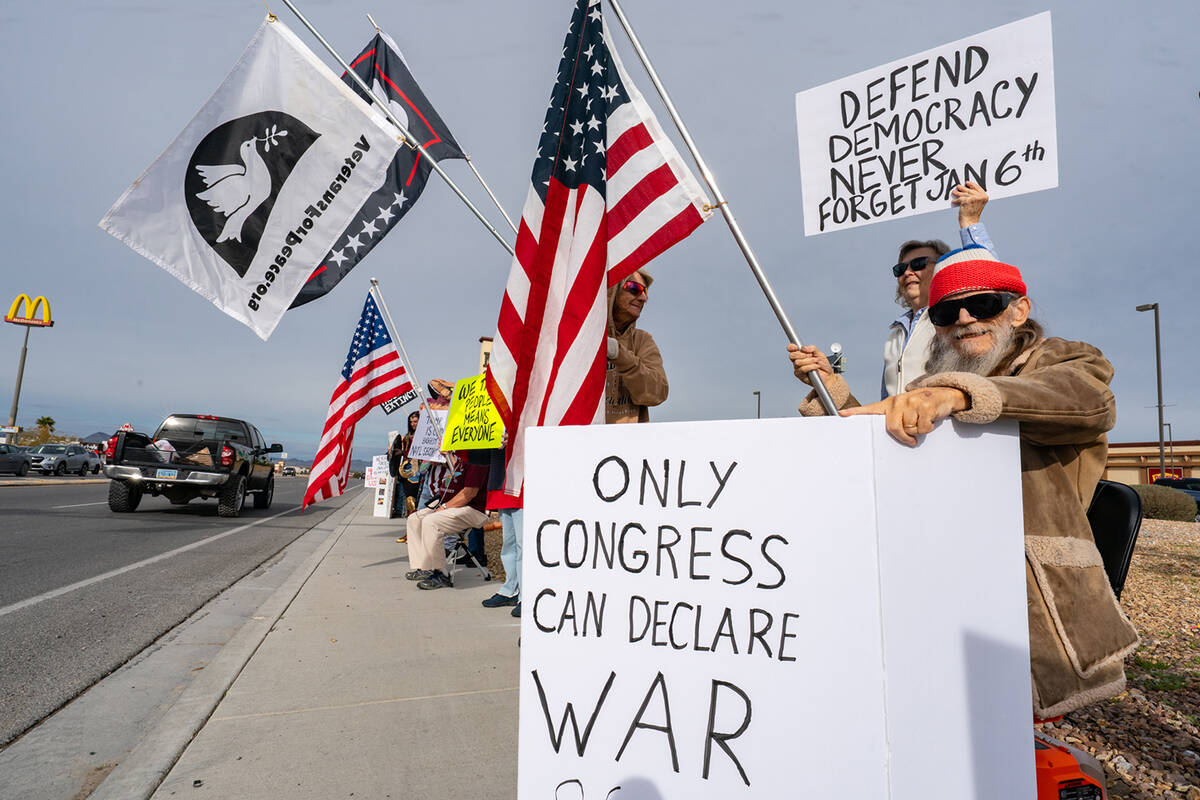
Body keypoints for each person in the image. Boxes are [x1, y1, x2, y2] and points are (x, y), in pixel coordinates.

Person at [788, 247, 1139, 718]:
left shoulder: (1059, 359)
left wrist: (958, 395)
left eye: (985, 304)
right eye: (948, 311)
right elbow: (891, 433)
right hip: (939, 582)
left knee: (1003, 728)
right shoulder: (932, 381)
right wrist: (833, 391)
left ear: (1019, 308)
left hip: (1032, 595)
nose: (967, 318)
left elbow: (1087, 399)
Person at [882, 181, 995, 399]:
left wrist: (970, 223)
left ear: (941, 268)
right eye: (900, 268)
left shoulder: (953, 317)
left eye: (918, 264)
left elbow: (988, 281)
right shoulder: (895, 334)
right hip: (901, 428)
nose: (908, 273)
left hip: (943, 426)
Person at [404, 448, 490, 590]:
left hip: (473, 510)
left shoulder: (478, 458)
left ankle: (441, 573)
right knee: (414, 519)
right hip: (453, 506)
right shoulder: (461, 458)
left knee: (431, 522)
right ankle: (424, 567)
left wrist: (444, 507)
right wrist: (448, 455)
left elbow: (468, 494)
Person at [606, 269, 668, 424]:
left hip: (628, 442)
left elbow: (657, 393)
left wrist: (618, 354)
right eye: (634, 289)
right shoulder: (582, 337)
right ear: (613, 290)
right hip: (580, 438)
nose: (643, 298)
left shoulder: (643, 340)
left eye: (645, 291)